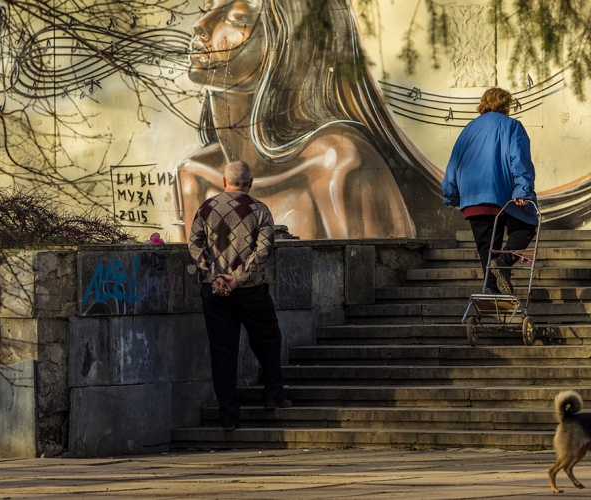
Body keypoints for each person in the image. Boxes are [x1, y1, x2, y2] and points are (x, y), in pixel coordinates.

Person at [175, 0, 445, 240]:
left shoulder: (338, 165)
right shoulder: (193, 176)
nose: (200, 25)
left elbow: (376, 277)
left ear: (287, 44)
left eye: (237, 18)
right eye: (205, 8)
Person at [188, 160, 290, 431]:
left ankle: (229, 417)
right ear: (251, 183)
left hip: (215, 292)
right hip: (251, 291)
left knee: (223, 352)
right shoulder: (259, 210)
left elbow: (194, 245)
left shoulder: (206, 209)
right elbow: (264, 249)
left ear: (224, 182)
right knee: (268, 340)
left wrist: (215, 276)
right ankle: (273, 396)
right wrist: (239, 278)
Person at [441, 88, 539, 295]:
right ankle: (503, 262)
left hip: (473, 197)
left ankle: (490, 291)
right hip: (502, 194)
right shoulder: (512, 126)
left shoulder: (468, 129)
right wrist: (522, 190)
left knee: (487, 248)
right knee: (526, 226)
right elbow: (519, 159)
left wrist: (451, 194)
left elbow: (453, 163)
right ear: (506, 104)